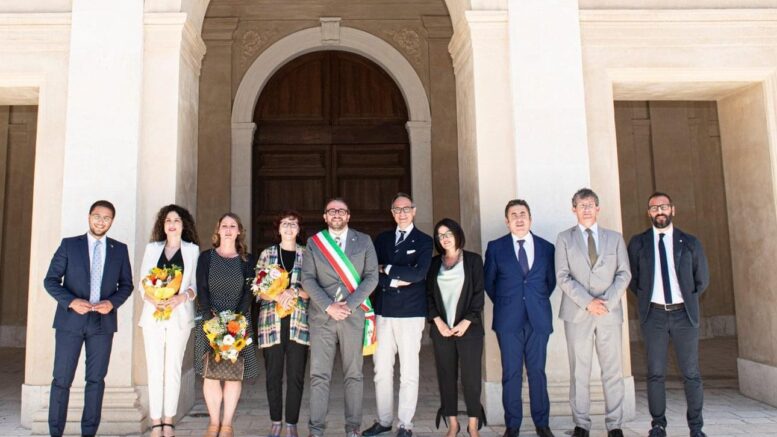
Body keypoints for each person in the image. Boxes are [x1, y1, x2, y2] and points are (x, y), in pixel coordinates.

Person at [43, 200, 133, 437]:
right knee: (61, 379)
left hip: (102, 324)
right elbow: (50, 280)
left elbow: (127, 285)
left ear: (112, 221)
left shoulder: (119, 249)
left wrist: (112, 303)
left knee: (96, 380)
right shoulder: (69, 245)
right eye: (97, 216)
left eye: (107, 218)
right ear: (89, 217)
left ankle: (89, 433)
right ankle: (55, 432)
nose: (101, 221)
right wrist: (71, 301)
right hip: (70, 322)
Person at [627, 192, 710, 437]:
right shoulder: (638, 243)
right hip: (654, 316)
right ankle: (658, 425)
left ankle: (696, 428)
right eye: (654, 208)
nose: (659, 211)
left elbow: (702, 279)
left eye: (663, 206)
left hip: (684, 315)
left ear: (672, 209)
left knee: (691, 374)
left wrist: (684, 300)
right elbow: (633, 280)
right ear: (648, 213)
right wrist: (650, 300)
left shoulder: (690, 242)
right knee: (655, 373)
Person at [555, 188, 631, 437]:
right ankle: (581, 424)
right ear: (573, 209)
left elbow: (624, 274)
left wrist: (605, 302)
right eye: (581, 205)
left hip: (609, 313)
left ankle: (615, 425)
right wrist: (588, 302)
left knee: (613, 370)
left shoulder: (615, 238)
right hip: (577, 313)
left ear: (598, 208)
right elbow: (562, 276)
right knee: (579, 371)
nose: (586, 209)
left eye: (590, 204)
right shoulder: (564, 239)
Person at [301, 197, 379, 437]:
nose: (336, 214)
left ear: (348, 215)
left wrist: (349, 306)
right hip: (322, 317)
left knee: (354, 374)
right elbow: (307, 279)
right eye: (331, 211)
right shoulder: (314, 242)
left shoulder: (364, 241)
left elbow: (372, 277)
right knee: (319, 375)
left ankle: (353, 428)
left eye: (341, 210)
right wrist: (329, 306)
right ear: (325, 216)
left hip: (352, 316)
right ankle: (316, 430)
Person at [484, 200, 556, 437]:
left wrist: (533, 302)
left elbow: (550, 282)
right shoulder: (496, 248)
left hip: (538, 319)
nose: (519, 218)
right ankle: (512, 426)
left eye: (523, 213)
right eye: (513, 215)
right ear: (507, 222)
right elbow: (490, 283)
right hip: (508, 320)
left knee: (537, 373)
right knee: (511, 374)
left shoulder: (547, 248)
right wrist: (509, 303)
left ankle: (542, 425)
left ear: (530, 218)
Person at [364, 193, 433, 437]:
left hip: (411, 314)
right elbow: (372, 273)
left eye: (406, 209)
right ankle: (384, 421)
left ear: (414, 211)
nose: (402, 213)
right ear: (392, 213)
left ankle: (405, 424)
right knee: (381, 370)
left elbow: (419, 274)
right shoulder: (382, 239)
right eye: (397, 209)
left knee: (409, 372)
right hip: (383, 312)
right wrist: (397, 278)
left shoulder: (424, 241)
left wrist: (388, 269)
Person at [138, 204, 200, 437]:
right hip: (153, 316)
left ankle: (168, 420)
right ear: (162, 226)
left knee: (172, 368)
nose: (172, 224)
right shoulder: (152, 249)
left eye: (176, 220)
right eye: (168, 221)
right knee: (154, 369)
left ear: (184, 225)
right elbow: (142, 284)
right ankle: (156, 422)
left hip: (179, 316)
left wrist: (182, 298)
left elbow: (195, 286)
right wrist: (154, 299)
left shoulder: (192, 250)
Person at [194, 213, 258, 437]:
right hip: (210, 320)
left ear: (239, 231)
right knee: (210, 373)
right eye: (224, 226)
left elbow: (249, 292)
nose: (228, 230)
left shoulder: (247, 260)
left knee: (233, 373)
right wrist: (211, 317)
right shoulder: (206, 257)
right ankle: (214, 423)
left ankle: (227, 424)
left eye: (232, 226)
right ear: (218, 230)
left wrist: (235, 321)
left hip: (237, 323)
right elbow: (201, 288)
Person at [426, 218, 486, 437]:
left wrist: (465, 322)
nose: (445, 238)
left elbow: (478, 295)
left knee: (471, 378)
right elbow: (428, 296)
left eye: (448, 233)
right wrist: (438, 322)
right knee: (446, 377)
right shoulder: (434, 263)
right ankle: (452, 424)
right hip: (442, 330)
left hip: (469, 329)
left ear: (457, 234)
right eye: (440, 235)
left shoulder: (473, 260)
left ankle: (473, 425)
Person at [255, 210, 311, 437]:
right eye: (285, 223)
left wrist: (294, 292)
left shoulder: (307, 254)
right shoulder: (267, 254)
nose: (289, 227)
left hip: (299, 322)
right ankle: (276, 422)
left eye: (293, 224)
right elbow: (258, 289)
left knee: (296, 376)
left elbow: (315, 289)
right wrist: (277, 295)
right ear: (278, 228)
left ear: (299, 229)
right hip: (271, 322)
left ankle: (291, 424)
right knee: (273, 375)